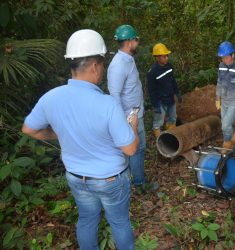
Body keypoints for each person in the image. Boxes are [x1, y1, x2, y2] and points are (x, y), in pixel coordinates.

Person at [22, 29, 139, 249]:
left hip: (77, 177)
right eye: (102, 64)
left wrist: (58, 134)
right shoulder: (107, 104)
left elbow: (29, 129)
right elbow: (131, 149)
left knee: (86, 219)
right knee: (120, 222)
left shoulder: (51, 98)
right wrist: (132, 125)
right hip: (110, 179)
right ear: (95, 65)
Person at [107, 24, 158, 193]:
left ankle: (133, 181)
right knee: (135, 148)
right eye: (136, 39)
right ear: (129, 42)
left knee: (138, 148)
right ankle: (139, 184)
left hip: (135, 113)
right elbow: (114, 95)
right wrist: (124, 122)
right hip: (129, 116)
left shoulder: (127, 59)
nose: (137, 42)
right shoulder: (119, 65)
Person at [147, 43, 182, 137]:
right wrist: (156, 104)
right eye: (164, 56)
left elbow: (173, 81)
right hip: (160, 101)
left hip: (170, 98)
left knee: (173, 118)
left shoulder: (169, 66)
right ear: (157, 57)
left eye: (167, 56)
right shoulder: (153, 72)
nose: (166, 58)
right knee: (158, 122)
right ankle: (159, 141)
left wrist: (177, 92)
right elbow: (151, 90)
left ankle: (171, 136)